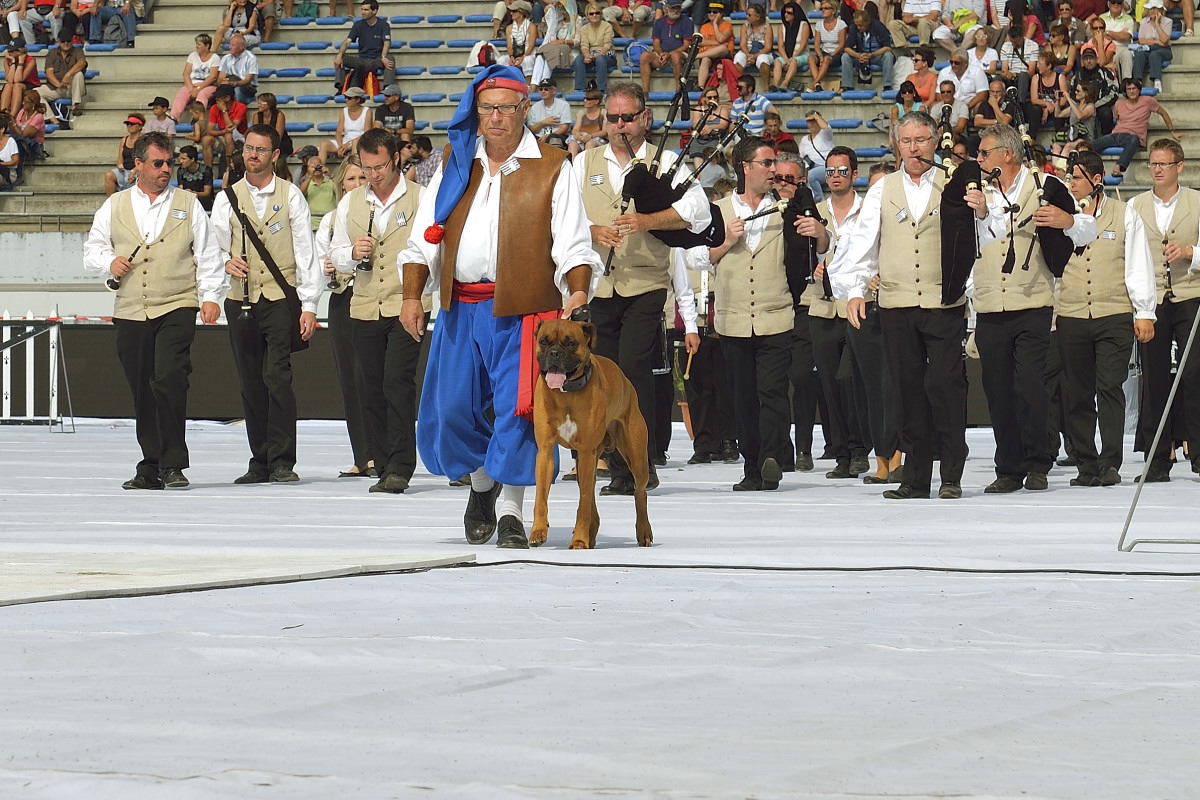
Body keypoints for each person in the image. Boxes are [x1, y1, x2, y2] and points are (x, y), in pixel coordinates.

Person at [398, 64, 601, 547]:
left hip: (526, 309)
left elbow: (574, 241)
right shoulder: (454, 162)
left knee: (520, 411)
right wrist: (411, 294)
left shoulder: (553, 165)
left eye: (505, 109)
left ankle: (511, 510)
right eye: (486, 108)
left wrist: (576, 289)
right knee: (447, 412)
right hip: (459, 308)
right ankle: (482, 486)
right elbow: (422, 238)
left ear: (524, 110)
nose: (495, 118)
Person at [574, 82, 710, 495]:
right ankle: (615, 465)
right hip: (598, 285)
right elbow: (560, 217)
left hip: (645, 283)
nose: (620, 126)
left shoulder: (667, 160)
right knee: (601, 377)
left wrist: (648, 221)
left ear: (645, 118)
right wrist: (592, 230)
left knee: (633, 372)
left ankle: (642, 462)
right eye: (613, 118)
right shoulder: (583, 163)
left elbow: (698, 212)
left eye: (628, 118)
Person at [831, 111, 975, 500]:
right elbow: (862, 244)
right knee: (907, 390)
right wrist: (855, 290)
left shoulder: (954, 181)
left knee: (945, 387)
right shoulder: (883, 189)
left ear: (935, 141)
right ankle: (915, 476)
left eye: (921, 140)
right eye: (907, 141)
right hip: (896, 304)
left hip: (942, 302)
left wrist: (981, 208)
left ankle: (951, 474)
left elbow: (979, 238)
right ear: (898, 145)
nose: (914, 148)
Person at [82, 131, 224, 490]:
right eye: (158, 163)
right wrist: (108, 261)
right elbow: (92, 250)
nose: (166, 169)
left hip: (177, 302)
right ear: (138, 165)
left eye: (169, 162)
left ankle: (173, 463)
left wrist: (210, 296)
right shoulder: (113, 206)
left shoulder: (188, 203)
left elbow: (208, 254)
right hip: (130, 308)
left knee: (170, 378)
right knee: (143, 388)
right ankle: (151, 463)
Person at [970, 123, 1098, 493]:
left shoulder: (1046, 187)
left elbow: (1087, 228)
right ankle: (1008, 467)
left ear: (1006, 155)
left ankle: (1038, 462)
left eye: (984, 153)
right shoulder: (978, 192)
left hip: (1033, 303)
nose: (979, 159)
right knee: (997, 389)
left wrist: (1068, 220)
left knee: (1031, 385)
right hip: (991, 304)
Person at [699, 136, 830, 490]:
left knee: (772, 390)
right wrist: (726, 242)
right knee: (743, 396)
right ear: (745, 168)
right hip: (734, 318)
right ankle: (752, 467)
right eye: (767, 163)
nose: (774, 170)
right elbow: (697, 259)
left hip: (776, 314)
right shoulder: (720, 209)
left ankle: (772, 455)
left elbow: (817, 250)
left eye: (774, 164)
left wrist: (819, 234)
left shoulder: (789, 207)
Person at [209, 124, 319, 485]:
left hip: (278, 297)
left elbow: (306, 252)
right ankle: (259, 459)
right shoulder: (226, 197)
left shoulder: (290, 196)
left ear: (274, 155)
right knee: (250, 381)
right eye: (247, 148)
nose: (251, 155)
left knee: (278, 377)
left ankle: (283, 459)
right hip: (239, 297)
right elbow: (213, 247)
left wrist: (309, 304)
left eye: (259, 149)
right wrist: (226, 262)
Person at [1056, 149, 1155, 487]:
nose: (1072, 182)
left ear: (1096, 180)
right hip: (1070, 312)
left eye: (1078, 177)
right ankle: (1086, 463)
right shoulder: (1061, 215)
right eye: (1070, 176)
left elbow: (1138, 264)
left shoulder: (1125, 214)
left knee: (1110, 386)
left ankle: (1110, 461)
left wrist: (1144, 312)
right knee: (1077, 392)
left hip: (1113, 311)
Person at [822, 145, 901, 483]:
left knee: (897, 387)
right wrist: (863, 281)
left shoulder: (905, 226)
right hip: (866, 313)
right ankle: (882, 459)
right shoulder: (859, 229)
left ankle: (901, 457)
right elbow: (838, 271)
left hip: (901, 310)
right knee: (871, 390)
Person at [1129, 138, 1200, 481]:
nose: (1156, 169)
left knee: (1194, 373)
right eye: (1153, 163)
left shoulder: (1197, 202)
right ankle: (1158, 456)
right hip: (1152, 302)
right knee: (1153, 378)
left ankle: (1198, 451)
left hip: (1190, 296)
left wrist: (1190, 252)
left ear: (1179, 167)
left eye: (1163, 164)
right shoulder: (1136, 205)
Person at [317, 157, 373, 478]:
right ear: (341, 185)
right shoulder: (330, 220)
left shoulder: (375, 216)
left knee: (370, 377)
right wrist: (328, 269)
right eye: (350, 179)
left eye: (360, 178)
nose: (356, 184)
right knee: (349, 381)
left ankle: (379, 452)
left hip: (368, 299)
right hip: (340, 301)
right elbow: (322, 264)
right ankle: (360, 455)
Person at [1091, 77, 1180, 178]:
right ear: (1125, 91)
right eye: (1129, 89)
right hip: (1116, 135)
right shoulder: (1119, 103)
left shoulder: (1148, 101)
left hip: (1133, 137)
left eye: (1134, 88)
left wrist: (1172, 131)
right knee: (1092, 144)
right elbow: (1116, 119)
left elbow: (1163, 113)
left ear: (1139, 89)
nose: (1132, 91)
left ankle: (1118, 167)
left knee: (1134, 139)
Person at [334, 0, 394, 91]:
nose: (362, 12)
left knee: (390, 59)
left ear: (374, 11)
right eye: (362, 9)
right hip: (362, 61)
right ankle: (340, 88)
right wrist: (339, 55)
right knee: (340, 58)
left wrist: (383, 57)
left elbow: (387, 42)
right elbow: (347, 41)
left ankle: (387, 88)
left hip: (377, 60)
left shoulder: (383, 25)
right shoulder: (358, 25)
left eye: (366, 10)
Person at [640, 0, 693, 93]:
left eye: (678, 8)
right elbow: (656, 43)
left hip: (681, 54)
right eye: (673, 8)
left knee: (675, 56)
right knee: (644, 56)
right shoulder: (659, 22)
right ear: (666, 8)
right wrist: (661, 54)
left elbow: (686, 45)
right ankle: (645, 92)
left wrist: (669, 54)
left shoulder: (687, 22)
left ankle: (679, 90)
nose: (676, 11)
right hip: (662, 53)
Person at [36, 29, 87, 126]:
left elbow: (82, 63)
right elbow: (49, 73)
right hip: (56, 87)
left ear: (72, 40)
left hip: (72, 87)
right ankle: (52, 119)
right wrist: (58, 84)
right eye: (63, 41)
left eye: (68, 40)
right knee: (34, 93)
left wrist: (68, 75)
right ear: (58, 41)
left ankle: (75, 106)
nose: (66, 43)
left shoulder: (78, 51)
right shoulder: (52, 53)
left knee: (78, 74)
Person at [842, 8, 895, 92]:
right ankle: (847, 86)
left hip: (876, 56)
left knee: (888, 55)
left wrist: (871, 55)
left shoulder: (879, 26)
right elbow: (847, 48)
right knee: (845, 56)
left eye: (861, 25)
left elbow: (887, 47)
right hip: (861, 56)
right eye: (857, 25)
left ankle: (887, 85)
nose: (858, 27)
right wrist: (858, 55)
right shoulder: (854, 28)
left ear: (868, 21)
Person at [317, 86, 371, 166]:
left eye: (349, 98)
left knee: (356, 143)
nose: (346, 100)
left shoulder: (367, 111)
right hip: (345, 141)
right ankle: (321, 171)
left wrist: (350, 143)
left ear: (358, 100)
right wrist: (340, 146)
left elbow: (367, 133)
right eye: (346, 97)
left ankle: (354, 168)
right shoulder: (343, 111)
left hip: (361, 140)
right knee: (324, 144)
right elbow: (338, 132)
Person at [171, 34, 219, 123]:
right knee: (181, 94)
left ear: (207, 46)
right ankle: (174, 118)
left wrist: (198, 89)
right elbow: (186, 73)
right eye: (196, 44)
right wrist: (191, 89)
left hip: (208, 85)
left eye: (199, 44)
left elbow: (213, 77)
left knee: (202, 94)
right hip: (192, 84)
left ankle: (197, 118)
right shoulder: (192, 55)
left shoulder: (214, 57)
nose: (197, 46)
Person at [529, 0, 576, 86]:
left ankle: (544, 83)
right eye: (561, 10)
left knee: (548, 53)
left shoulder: (577, 21)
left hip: (568, 49)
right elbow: (541, 29)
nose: (562, 12)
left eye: (564, 10)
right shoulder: (558, 20)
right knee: (540, 55)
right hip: (554, 48)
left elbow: (577, 41)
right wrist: (545, 17)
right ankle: (535, 84)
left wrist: (562, 41)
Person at [205, 85, 248, 171]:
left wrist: (224, 111)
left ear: (227, 98)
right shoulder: (214, 108)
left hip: (240, 139)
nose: (216, 99)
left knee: (228, 135)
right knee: (206, 139)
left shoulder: (241, 107)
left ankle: (230, 169)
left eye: (219, 97)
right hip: (224, 137)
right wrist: (223, 131)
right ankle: (208, 172)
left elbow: (232, 128)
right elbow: (209, 130)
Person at [1132, 0, 1172, 91]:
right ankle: (1137, 81)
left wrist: (1157, 25)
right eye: (1150, 9)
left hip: (1164, 49)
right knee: (1139, 54)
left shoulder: (1168, 22)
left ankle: (1157, 81)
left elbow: (1165, 40)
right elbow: (1141, 40)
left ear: (1161, 10)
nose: (1152, 11)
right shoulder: (1143, 21)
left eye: (1154, 8)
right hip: (1148, 48)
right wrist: (1157, 42)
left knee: (1155, 55)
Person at [735, 3, 775, 93]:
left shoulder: (767, 27)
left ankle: (766, 88)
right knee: (739, 58)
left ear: (758, 17)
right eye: (747, 14)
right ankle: (737, 88)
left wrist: (755, 56)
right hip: (747, 51)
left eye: (749, 15)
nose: (747, 17)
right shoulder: (745, 26)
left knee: (763, 59)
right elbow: (742, 44)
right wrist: (748, 55)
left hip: (762, 51)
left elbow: (768, 47)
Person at [574, 2, 614, 91]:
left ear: (601, 14)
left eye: (597, 13)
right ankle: (580, 89)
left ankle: (601, 89)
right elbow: (584, 45)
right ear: (587, 16)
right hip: (591, 54)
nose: (594, 15)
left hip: (606, 55)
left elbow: (607, 46)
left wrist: (594, 56)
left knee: (600, 59)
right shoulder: (584, 28)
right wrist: (587, 55)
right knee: (578, 59)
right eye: (591, 14)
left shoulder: (607, 26)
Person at [807, 0, 845, 91]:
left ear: (833, 11)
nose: (823, 10)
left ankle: (813, 84)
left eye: (826, 8)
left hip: (837, 53)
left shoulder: (841, 24)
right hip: (824, 52)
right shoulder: (819, 24)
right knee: (811, 58)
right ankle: (818, 84)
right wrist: (820, 57)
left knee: (827, 58)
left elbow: (842, 45)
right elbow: (816, 45)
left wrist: (831, 55)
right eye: (822, 8)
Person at [938, 47, 989, 115]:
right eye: (951, 62)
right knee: (933, 106)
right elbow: (938, 95)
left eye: (956, 63)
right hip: (948, 106)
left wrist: (965, 107)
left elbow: (982, 95)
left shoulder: (977, 72)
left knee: (980, 105)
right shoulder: (944, 72)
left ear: (965, 63)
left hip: (970, 106)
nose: (953, 65)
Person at [688, 86, 729, 169]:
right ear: (704, 98)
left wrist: (711, 127)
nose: (713, 99)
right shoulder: (699, 109)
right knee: (698, 168)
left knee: (711, 165)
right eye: (710, 97)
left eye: (715, 97)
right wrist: (703, 129)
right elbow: (695, 124)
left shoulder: (722, 110)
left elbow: (724, 124)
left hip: (714, 139)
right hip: (699, 140)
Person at [696, 1, 734, 89]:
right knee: (705, 59)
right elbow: (701, 42)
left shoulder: (727, 26)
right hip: (708, 54)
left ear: (721, 14)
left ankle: (696, 56)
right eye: (709, 12)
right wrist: (716, 43)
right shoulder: (704, 27)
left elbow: (721, 39)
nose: (711, 14)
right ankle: (701, 86)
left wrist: (715, 25)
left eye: (715, 12)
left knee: (723, 47)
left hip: (724, 56)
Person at [773, 1, 809, 91]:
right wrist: (786, 60)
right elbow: (780, 46)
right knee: (777, 61)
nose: (786, 15)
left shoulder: (804, 25)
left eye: (789, 13)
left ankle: (785, 83)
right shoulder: (781, 27)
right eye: (785, 12)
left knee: (794, 61)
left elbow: (803, 46)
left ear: (795, 14)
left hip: (802, 55)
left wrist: (792, 58)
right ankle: (776, 84)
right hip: (787, 56)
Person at [104, 113, 143, 197]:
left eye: (132, 124)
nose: (129, 126)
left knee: (138, 176)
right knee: (109, 175)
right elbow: (120, 158)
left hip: (139, 170)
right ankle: (111, 202)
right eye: (128, 124)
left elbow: (145, 160)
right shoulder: (124, 140)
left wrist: (133, 171)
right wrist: (119, 164)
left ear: (140, 126)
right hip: (124, 170)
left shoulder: (144, 140)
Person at [997, 24, 1037, 105]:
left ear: (1022, 37)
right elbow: (1004, 69)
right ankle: (996, 103)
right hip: (1010, 76)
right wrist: (1006, 74)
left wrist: (1015, 74)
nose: (1014, 44)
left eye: (1016, 42)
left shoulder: (1033, 46)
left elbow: (1031, 71)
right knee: (997, 79)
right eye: (1012, 42)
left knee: (1023, 75)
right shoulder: (1006, 46)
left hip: (1024, 76)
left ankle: (1019, 104)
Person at [527, 77, 571, 149]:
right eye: (541, 89)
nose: (543, 91)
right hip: (539, 136)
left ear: (554, 91)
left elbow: (564, 128)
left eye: (546, 89)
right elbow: (531, 129)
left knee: (554, 139)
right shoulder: (535, 107)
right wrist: (543, 123)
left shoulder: (564, 105)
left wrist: (548, 136)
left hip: (557, 136)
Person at [217, 31, 258, 106]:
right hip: (229, 84)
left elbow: (247, 81)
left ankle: (239, 114)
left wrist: (233, 83)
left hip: (246, 87)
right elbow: (220, 78)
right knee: (218, 91)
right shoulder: (226, 58)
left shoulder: (251, 58)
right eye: (230, 44)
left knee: (237, 90)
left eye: (233, 45)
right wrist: (224, 82)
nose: (230, 47)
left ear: (242, 46)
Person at [1097, 0, 1134, 81]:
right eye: (1113, 2)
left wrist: (1108, 32)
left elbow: (1126, 36)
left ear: (1123, 4)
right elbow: (1098, 34)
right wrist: (1119, 34)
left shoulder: (1128, 18)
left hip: (1121, 48)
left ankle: (1126, 82)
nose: (1116, 5)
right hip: (1105, 48)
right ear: (1108, 4)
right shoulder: (1101, 17)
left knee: (1127, 54)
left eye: (1119, 3)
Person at [2, 42, 38, 120]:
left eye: (11, 51)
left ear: (20, 52)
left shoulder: (31, 60)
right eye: (8, 51)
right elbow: (10, 80)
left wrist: (21, 62)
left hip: (30, 85)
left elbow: (19, 79)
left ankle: (12, 116)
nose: (9, 53)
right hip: (14, 84)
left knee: (17, 85)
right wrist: (13, 63)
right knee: (8, 85)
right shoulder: (7, 60)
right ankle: (2, 115)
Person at [299, 154, 335, 229]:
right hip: (313, 224)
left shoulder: (331, 182)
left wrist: (330, 174)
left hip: (330, 223)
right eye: (313, 166)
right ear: (308, 168)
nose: (316, 168)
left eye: (319, 166)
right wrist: (310, 176)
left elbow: (341, 189)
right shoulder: (306, 183)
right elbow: (300, 194)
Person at [568, 86, 606, 156]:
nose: (585, 101)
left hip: (599, 140)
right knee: (572, 144)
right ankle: (572, 165)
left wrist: (590, 136)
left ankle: (587, 165)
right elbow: (575, 129)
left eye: (588, 99)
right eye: (584, 98)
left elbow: (604, 131)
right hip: (583, 139)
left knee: (590, 143)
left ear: (596, 101)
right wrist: (577, 134)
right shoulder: (581, 113)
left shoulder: (603, 113)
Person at [176, 144, 214, 212]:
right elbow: (181, 189)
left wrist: (193, 193)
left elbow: (207, 193)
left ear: (192, 159)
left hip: (204, 202)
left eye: (184, 159)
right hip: (187, 201)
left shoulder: (206, 170)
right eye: (180, 158)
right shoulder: (180, 170)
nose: (181, 161)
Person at [504, 0, 535, 79]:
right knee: (502, 60)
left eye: (514, 11)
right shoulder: (509, 28)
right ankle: (506, 83)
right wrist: (511, 56)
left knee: (527, 61)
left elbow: (531, 45)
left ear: (521, 12)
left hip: (528, 54)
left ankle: (528, 86)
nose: (511, 13)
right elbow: (509, 45)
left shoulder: (531, 27)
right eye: (511, 11)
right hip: (514, 54)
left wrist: (523, 56)